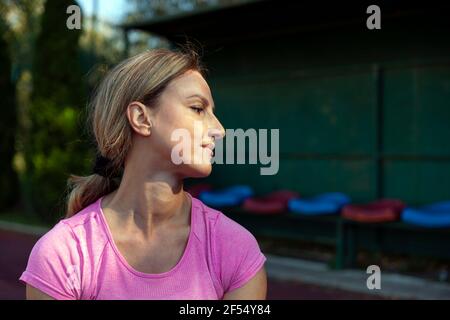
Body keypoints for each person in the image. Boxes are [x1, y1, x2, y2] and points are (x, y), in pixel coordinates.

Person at [19, 48, 267, 300]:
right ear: (141, 118)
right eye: (198, 108)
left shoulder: (236, 249)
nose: (219, 130)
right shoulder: (63, 253)